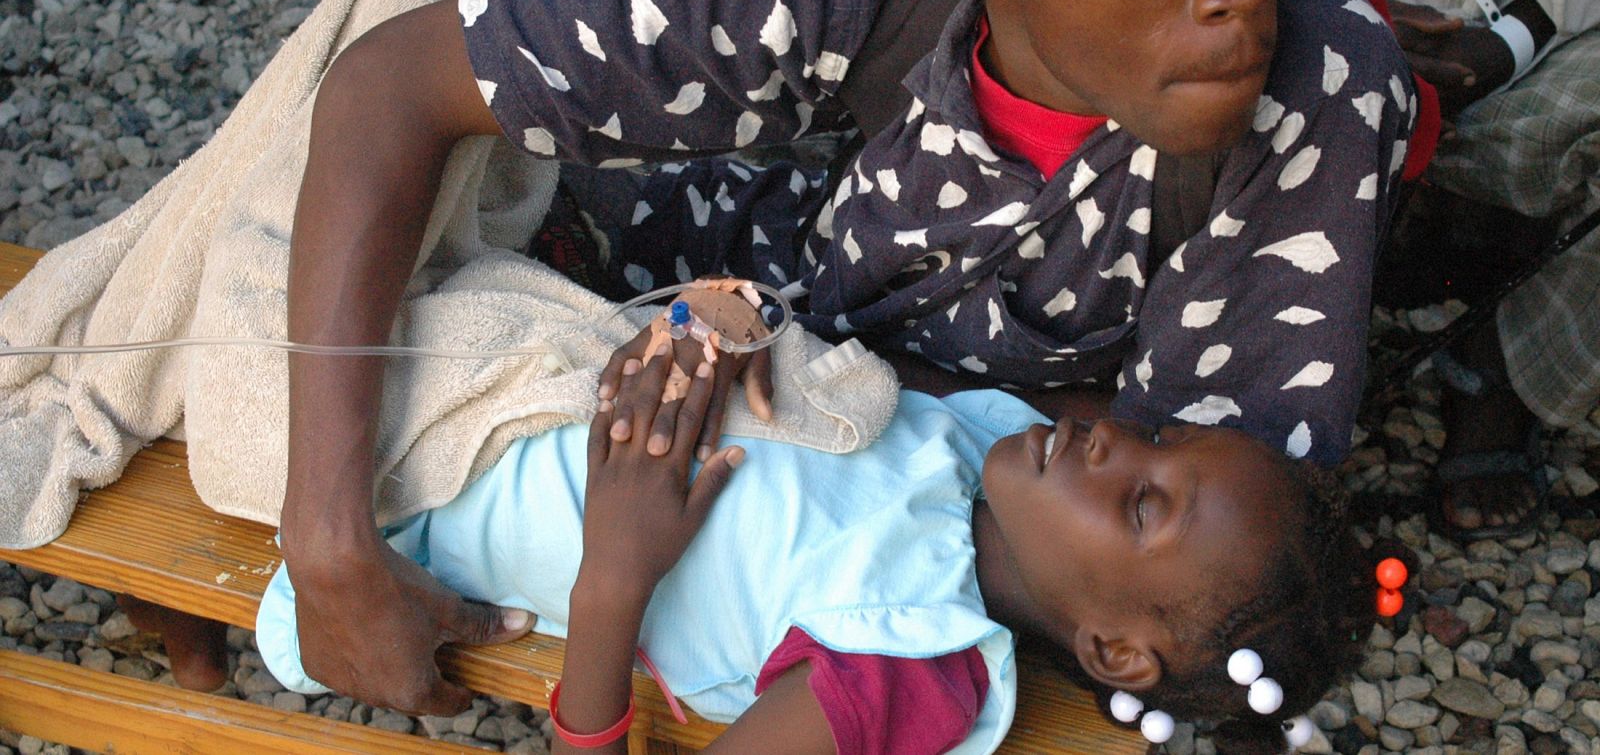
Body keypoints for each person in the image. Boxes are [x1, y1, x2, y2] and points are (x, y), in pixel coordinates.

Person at [272, 0, 1417, 715]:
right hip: (762, 304)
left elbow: (1206, 557)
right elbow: (391, 81)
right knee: (404, 8)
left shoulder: (1315, 87)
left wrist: (800, 357)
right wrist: (326, 539)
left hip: (955, 500)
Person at [256, 340, 1366, 755]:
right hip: (495, 370)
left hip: (399, 528)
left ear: (1116, 652)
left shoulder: (907, 658)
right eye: (1160, 437)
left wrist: (614, 579)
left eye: (1139, 505)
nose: (1115, 441)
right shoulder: (983, 442)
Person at [1214, 0, 1600, 540]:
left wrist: (1504, 39)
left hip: (1513, 31)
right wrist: (1337, 11)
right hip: (1285, 6)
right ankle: (1237, 391)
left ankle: (1505, 372)